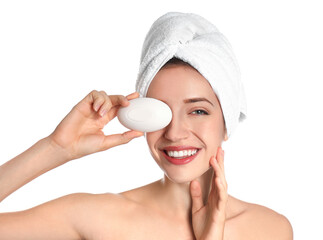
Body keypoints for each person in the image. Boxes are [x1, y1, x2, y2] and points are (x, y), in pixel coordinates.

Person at [0, 12, 293, 239]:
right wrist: (56, 148)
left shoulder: (270, 230)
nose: (175, 133)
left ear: (227, 121)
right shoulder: (100, 217)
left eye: (199, 111)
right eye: (160, 111)